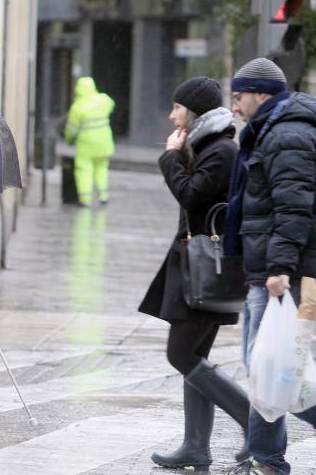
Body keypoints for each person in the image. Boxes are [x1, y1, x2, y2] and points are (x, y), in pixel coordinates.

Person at [139, 76, 250, 470]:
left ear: (195, 111)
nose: (171, 116)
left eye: (177, 108)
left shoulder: (220, 149)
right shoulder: (206, 144)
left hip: (208, 269)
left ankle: (251, 421)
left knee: (181, 353)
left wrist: (171, 157)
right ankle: (195, 446)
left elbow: (191, 195)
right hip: (198, 267)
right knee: (195, 355)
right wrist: (182, 153)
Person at [224, 58, 316, 475]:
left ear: (261, 94)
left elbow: (294, 205)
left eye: (239, 97)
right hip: (272, 267)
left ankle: (268, 458)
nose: (235, 106)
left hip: (285, 272)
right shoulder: (275, 127)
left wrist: (279, 267)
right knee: (268, 366)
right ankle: (267, 458)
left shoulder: (287, 133)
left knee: (277, 370)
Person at [63, 76, 115, 207]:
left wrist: (68, 140)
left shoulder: (78, 107)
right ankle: (103, 196)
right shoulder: (104, 100)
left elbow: (71, 129)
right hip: (104, 142)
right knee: (102, 168)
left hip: (86, 145)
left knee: (84, 169)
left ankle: (85, 199)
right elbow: (111, 105)